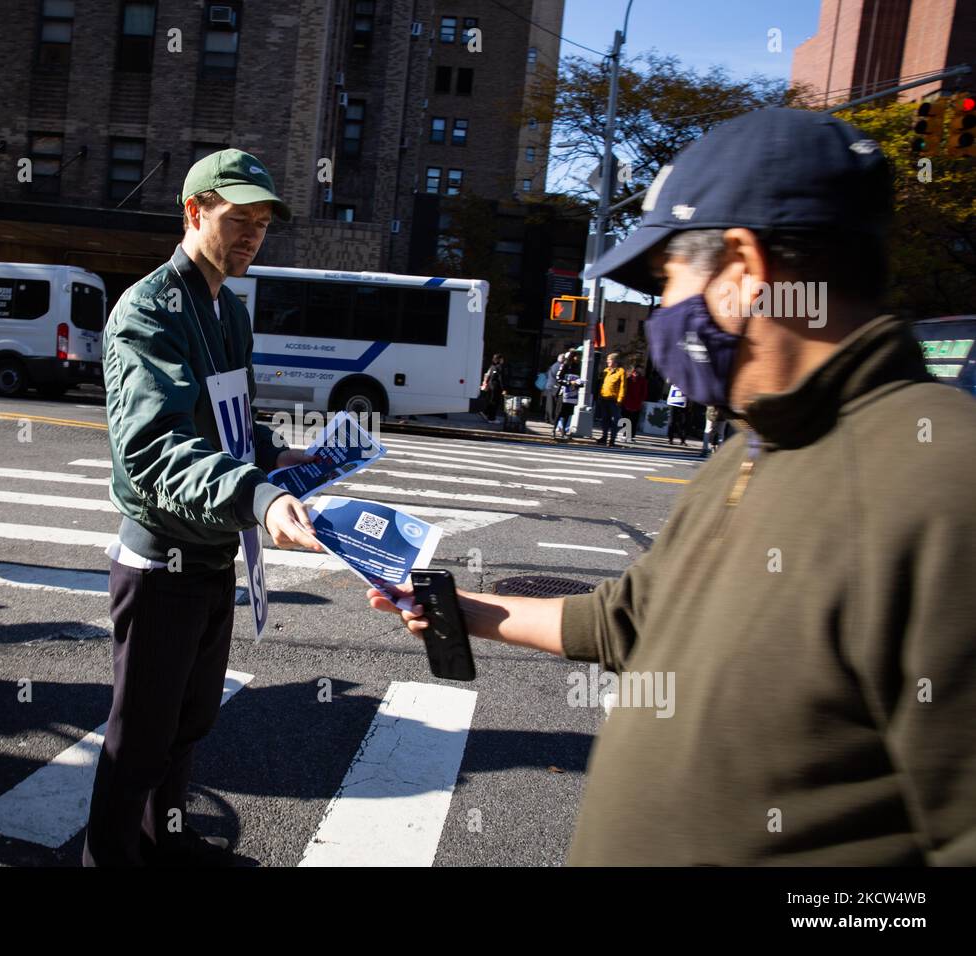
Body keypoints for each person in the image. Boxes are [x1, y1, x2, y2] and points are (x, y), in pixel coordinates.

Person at [369, 108, 976, 864]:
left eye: (666, 282)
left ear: (745, 271)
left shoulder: (945, 486)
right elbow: (631, 620)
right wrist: (472, 611)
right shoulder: (749, 445)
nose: (661, 315)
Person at [83, 149, 323, 868]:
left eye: (261, 224)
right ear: (194, 211)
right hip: (162, 560)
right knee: (139, 742)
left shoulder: (228, 310)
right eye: (237, 219)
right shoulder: (149, 310)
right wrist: (258, 494)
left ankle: (165, 846)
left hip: (216, 549)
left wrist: (277, 458)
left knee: (188, 728)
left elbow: (228, 425)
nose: (251, 235)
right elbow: (156, 452)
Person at [596, 351, 625, 446]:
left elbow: (623, 387)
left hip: (614, 400)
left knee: (615, 420)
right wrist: (599, 397)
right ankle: (604, 437)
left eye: (609, 360)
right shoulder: (606, 371)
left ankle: (612, 439)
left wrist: (620, 399)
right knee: (604, 419)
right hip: (604, 399)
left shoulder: (621, 372)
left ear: (615, 361)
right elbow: (602, 385)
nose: (607, 361)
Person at [553, 352, 582, 440]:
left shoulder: (578, 367)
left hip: (572, 394)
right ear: (572, 356)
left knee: (567, 413)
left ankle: (563, 432)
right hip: (563, 393)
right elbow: (558, 378)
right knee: (559, 412)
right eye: (577, 356)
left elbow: (579, 379)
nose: (579, 358)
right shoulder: (565, 365)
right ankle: (553, 430)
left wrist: (579, 383)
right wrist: (569, 383)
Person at [620, 362, 648, 443]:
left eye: (639, 372)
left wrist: (641, 401)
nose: (636, 373)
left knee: (634, 420)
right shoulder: (628, 379)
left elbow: (644, 392)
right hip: (627, 402)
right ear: (633, 371)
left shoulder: (643, 380)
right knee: (625, 419)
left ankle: (631, 436)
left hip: (636, 403)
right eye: (635, 371)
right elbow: (624, 390)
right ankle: (624, 434)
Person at [479, 353, 505, 423]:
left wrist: (486, 384)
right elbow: (500, 378)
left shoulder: (492, 367)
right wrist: (503, 389)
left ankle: (486, 413)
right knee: (495, 402)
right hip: (496, 387)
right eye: (502, 359)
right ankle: (491, 418)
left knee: (492, 401)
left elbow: (488, 376)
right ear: (500, 359)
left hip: (491, 386)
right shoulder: (500, 367)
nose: (503, 360)